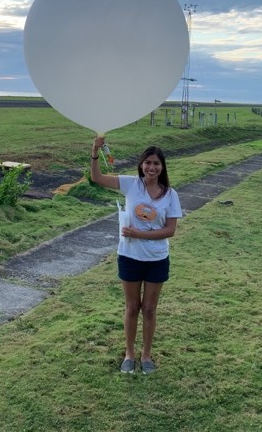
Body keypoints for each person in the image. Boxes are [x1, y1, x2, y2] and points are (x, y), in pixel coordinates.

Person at [91, 136, 182, 374]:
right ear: (141, 164)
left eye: (157, 163)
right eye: (148, 162)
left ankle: (147, 355)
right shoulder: (131, 184)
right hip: (130, 256)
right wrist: (94, 152)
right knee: (132, 307)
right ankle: (130, 353)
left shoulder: (170, 195)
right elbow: (97, 178)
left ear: (162, 167)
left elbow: (170, 231)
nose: (152, 167)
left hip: (156, 259)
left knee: (150, 309)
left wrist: (138, 234)